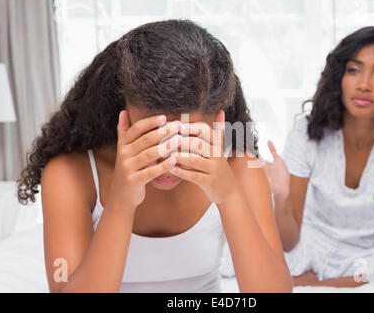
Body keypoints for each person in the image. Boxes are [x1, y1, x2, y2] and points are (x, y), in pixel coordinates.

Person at [17, 20, 292, 293]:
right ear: (123, 112)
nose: (169, 165)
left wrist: (229, 196)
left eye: (189, 141)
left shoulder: (239, 167)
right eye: (155, 138)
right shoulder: (71, 174)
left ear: (219, 122)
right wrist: (121, 202)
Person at [263, 26, 374, 287]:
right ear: (339, 78)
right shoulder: (307, 131)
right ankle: (335, 281)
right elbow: (289, 241)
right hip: (314, 244)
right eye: (354, 70)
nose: (364, 85)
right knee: (250, 252)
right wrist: (281, 197)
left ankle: (311, 284)